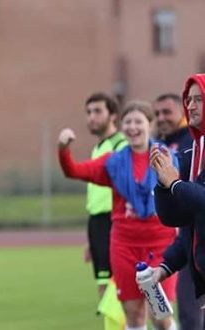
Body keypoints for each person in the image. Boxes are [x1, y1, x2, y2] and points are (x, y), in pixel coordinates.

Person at [58, 100, 178, 330]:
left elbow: (183, 195)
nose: (133, 127)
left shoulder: (168, 158)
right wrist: (63, 149)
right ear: (122, 127)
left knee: (160, 314)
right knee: (133, 314)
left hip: (161, 246)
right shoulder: (113, 163)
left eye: (138, 121)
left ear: (150, 125)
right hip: (125, 247)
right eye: (128, 122)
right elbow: (73, 170)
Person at [153, 74, 205, 325]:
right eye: (189, 100)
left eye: (199, 99)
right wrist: (163, 186)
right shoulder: (193, 150)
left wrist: (175, 183)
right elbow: (181, 219)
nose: (191, 106)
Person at [80, 93, 128, 298]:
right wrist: (92, 238)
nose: (92, 117)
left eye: (98, 111)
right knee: (104, 288)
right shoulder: (97, 148)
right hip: (98, 223)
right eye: (89, 112)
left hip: (115, 221)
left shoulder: (121, 146)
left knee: (118, 289)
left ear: (113, 115)